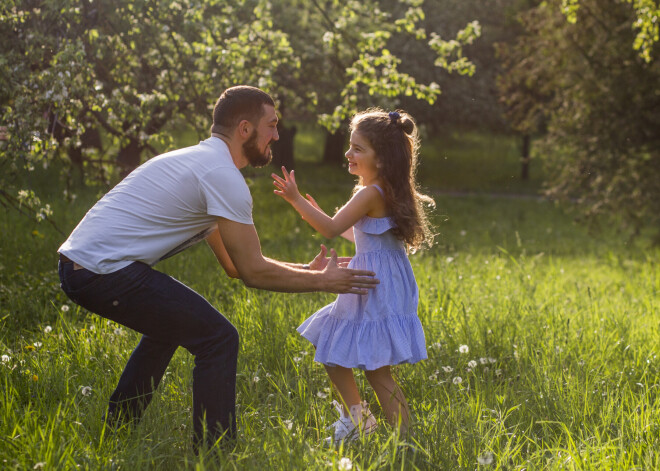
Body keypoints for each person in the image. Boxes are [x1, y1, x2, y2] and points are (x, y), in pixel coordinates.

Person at [57, 85, 378, 448]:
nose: (276, 134)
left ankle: (116, 429)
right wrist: (322, 281)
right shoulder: (222, 176)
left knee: (171, 326)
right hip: (100, 271)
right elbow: (254, 272)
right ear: (245, 129)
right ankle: (214, 452)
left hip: (85, 266)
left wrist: (308, 268)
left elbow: (235, 266)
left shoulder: (200, 162)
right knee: (218, 338)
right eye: (271, 125)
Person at [272, 108, 434, 443]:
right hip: (382, 283)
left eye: (358, 149)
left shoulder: (369, 193)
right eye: (350, 145)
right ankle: (377, 428)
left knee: (360, 362)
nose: (348, 153)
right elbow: (367, 236)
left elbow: (331, 229)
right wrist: (313, 213)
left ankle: (386, 434)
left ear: (382, 158)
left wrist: (296, 200)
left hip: (371, 287)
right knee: (355, 359)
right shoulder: (388, 189)